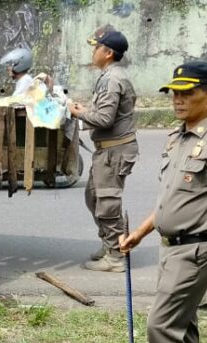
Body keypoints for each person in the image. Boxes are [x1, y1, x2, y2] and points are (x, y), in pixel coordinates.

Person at [120, 60, 207, 343]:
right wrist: (141, 232)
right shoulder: (178, 136)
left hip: (198, 247)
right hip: (170, 246)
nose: (177, 98)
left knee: (160, 325)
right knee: (181, 324)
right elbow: (171, 198)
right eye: (174, 92)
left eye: (187, 92)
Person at [69, 28, 138, 273]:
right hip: (109, 150)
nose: (93, 52)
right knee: (93, 197)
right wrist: (85, 110)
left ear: (108, 53)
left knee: (107, 203)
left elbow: (105, 119)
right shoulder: (110, 76)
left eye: (96, 48)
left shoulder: (112, 79)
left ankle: (116, 256)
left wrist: (78, 112)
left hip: (114, 152)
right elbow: (106, 114)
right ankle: (110, 244)